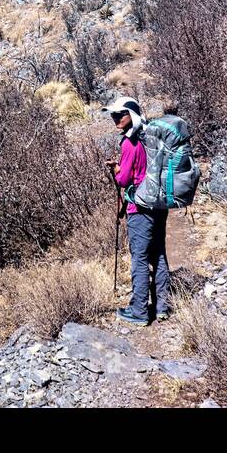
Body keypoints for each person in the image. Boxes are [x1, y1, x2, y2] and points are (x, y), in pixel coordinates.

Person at [103, 96, 171, 327]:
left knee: (140, 259)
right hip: (159, 204)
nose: (115, 118)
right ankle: (162, 307)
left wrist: (117, 169)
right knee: (159, 254)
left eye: (120, 114)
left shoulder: (130, 142)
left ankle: (140, 311)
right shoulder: (150, 137)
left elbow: (123, 180)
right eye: (113, 115)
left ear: (130, 115)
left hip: (140, 207)